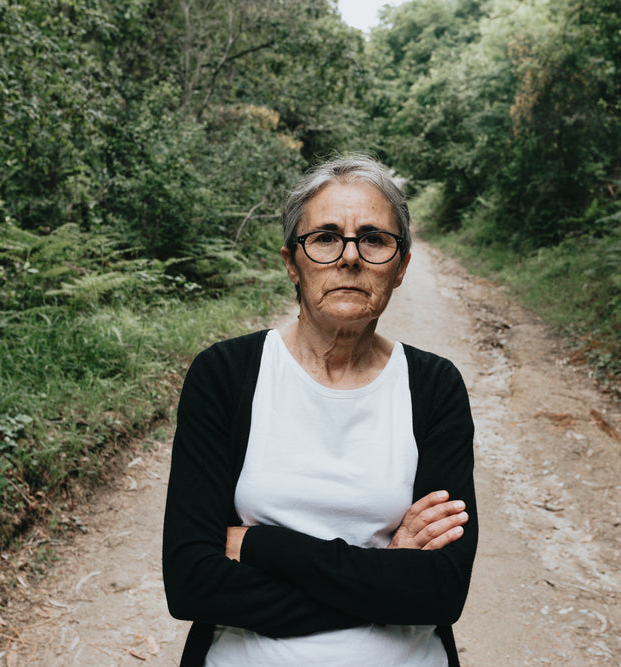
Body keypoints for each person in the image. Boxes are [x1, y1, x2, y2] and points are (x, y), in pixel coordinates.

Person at [162, 154, 477, 666]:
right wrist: (387, 572)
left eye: (374, 239)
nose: (349, 257)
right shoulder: (225, 375)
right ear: (292, 262)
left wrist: (262, 547)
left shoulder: (434, 387)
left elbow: (441, 592)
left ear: (400, 268)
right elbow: (191, 583)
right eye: (326, 237)